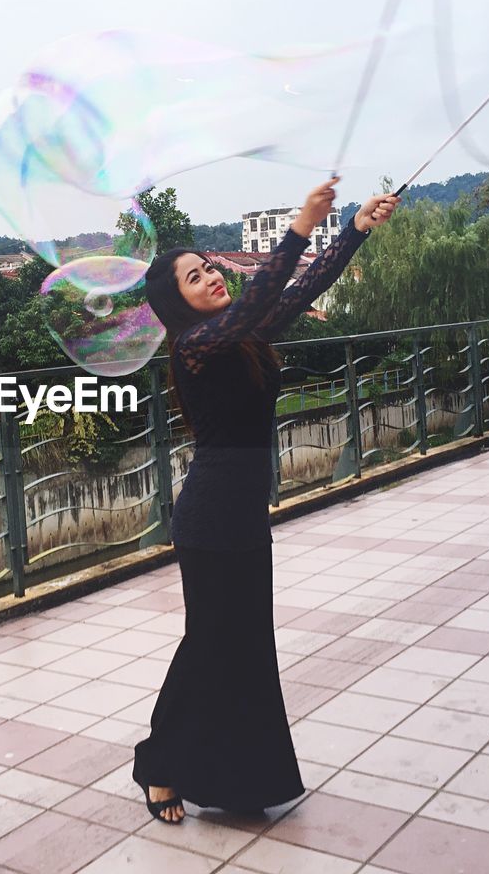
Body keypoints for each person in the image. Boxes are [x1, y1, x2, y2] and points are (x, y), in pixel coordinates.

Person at [133, 178, 399, 823]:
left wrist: (355, 228)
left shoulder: (241, 334)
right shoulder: (196, 346)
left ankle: (241, 780)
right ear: (178, 301)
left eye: (210, 267)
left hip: (241, 512)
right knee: (209, 643)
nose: (212, 278)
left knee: (244, 645)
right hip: (211, 516)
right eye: (196, 278)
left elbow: (299, 289)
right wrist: (300, 224)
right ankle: (158, 765)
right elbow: (261, 294)